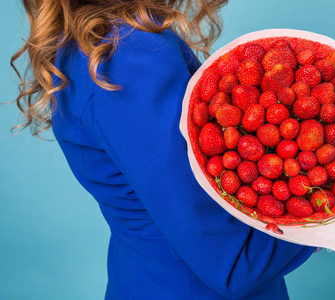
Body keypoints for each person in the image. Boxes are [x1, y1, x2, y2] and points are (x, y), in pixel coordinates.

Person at [10, 1, 315, 299]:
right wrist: (333, 209)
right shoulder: (127, 57)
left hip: (141, 279)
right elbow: (232, 264)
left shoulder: (84, 44)